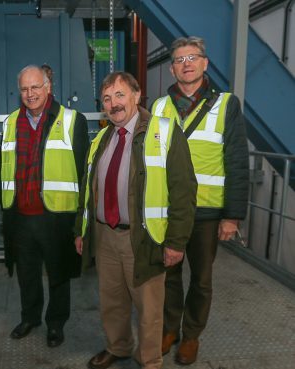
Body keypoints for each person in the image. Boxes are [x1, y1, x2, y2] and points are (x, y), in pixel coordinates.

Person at [75, 71, 197, 369]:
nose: (113, 103)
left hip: (143, 238)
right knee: (112, 302)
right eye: (106, 98)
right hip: (105, 236)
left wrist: (176, 243)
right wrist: (82, 231)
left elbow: (184, 191)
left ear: (136, 95)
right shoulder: (102, 138)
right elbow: (88, 190)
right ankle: (118, 347)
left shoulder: (164, 132)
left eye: (119, 95)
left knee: (149, 309)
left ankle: (150, 361)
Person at [151, 36, 249, 365]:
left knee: (202, 279)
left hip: (207, 211)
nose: (186, 64)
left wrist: (232, 216)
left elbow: (237, 162)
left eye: (193, 57)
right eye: (179, 59)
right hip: (168, 210)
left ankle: (191, 335)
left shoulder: (225, 104)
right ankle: (169, 329)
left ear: (204, 64)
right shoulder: (160, 107)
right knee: (169, 274)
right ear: (171, 68)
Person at [0, 65, 88, 347]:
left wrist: (79, 223)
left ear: (48, 87)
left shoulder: (73, 120)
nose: (30, 93)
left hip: (56, 216)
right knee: (26, 273)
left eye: (36, 87)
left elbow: (84, 174)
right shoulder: (10, 122)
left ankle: (56, 323)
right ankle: (30, 317)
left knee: (58, 273)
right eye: (24, 89)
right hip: (20, 216)